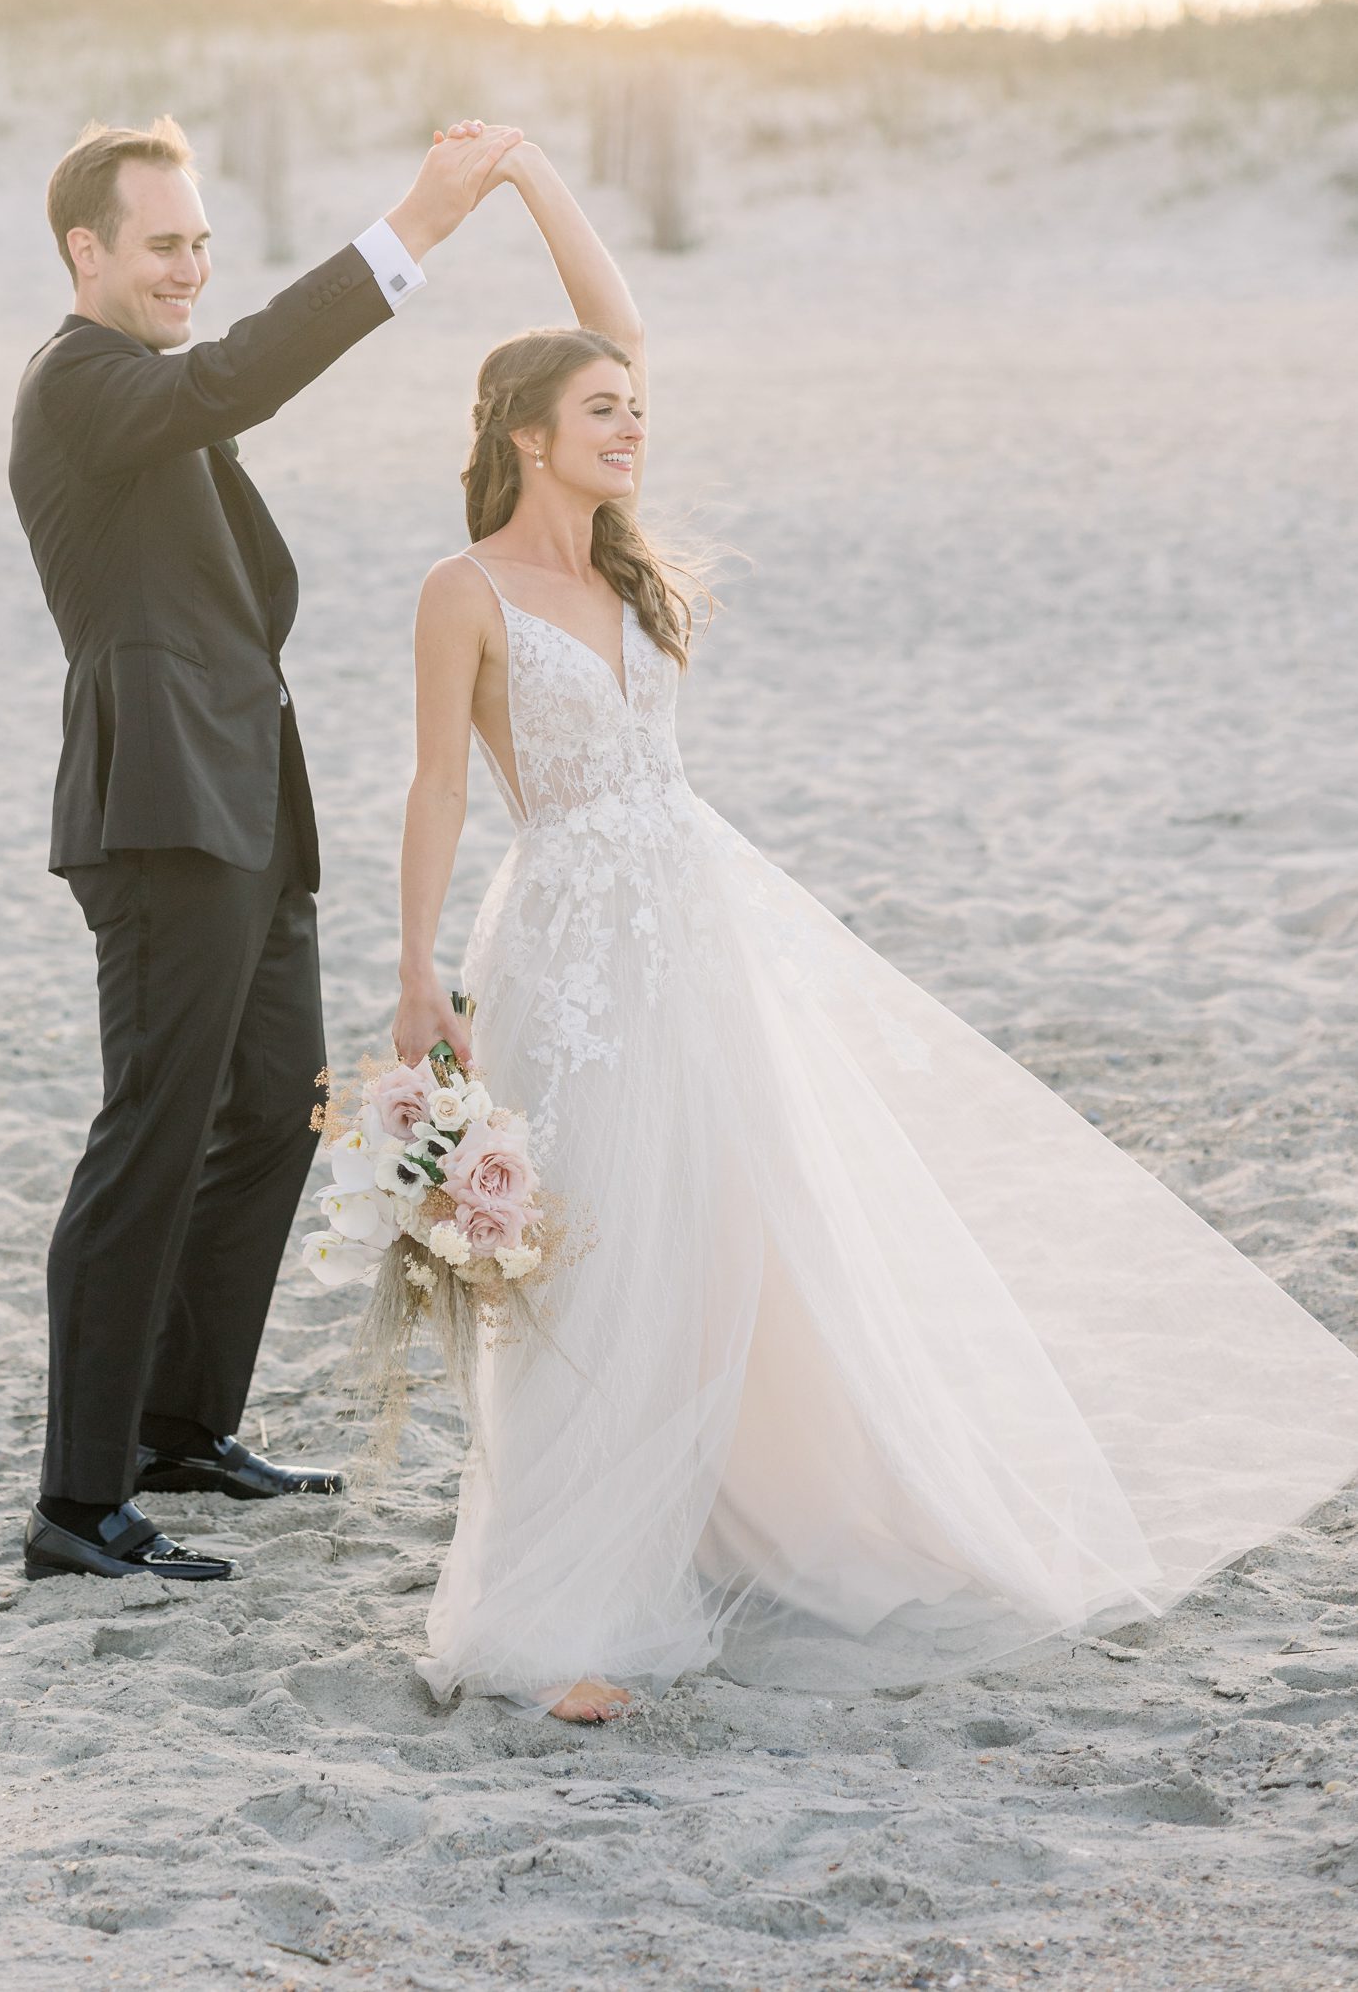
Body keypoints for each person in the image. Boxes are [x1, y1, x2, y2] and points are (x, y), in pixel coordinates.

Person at [393, 138, 1358, 1721]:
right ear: (524, 436)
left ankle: (704, 1518)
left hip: (695, 920)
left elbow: (621, 316)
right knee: (586, 1255)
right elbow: (439, 786)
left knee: (726, 1238)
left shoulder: (626, 570)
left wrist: (536, 179)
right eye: (601, 412)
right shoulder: (464, 589)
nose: (632, 424)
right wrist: (417, 969)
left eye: (634, 407)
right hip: (566, 936)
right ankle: (555, 1606)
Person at [10, 112, 521, 1582]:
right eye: (164, 246)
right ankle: (76, 1502)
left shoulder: (148, 389)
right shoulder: (81, 384)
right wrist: (409, 228)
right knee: (148, 1144)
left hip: (249, 801)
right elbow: (245, 370)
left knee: (275, 1117)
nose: (189, 268)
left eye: (202, 244)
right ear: (86, 252)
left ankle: (180, 1425)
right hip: (163, 809)